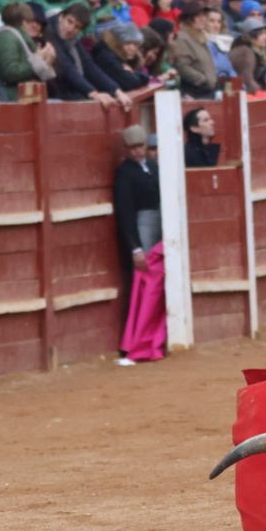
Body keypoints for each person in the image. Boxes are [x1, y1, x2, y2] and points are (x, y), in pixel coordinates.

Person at [113, 124, 165, 365]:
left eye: (140, 146)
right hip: (142, 232)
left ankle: (152, 338)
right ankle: (133, 345)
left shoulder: (153, 167)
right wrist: (134, 247)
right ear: (126, 149)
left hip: (158, 231)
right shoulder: (124, 172)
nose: (137, 152)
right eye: (132, 148)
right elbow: (125, 213)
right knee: (142, 285)